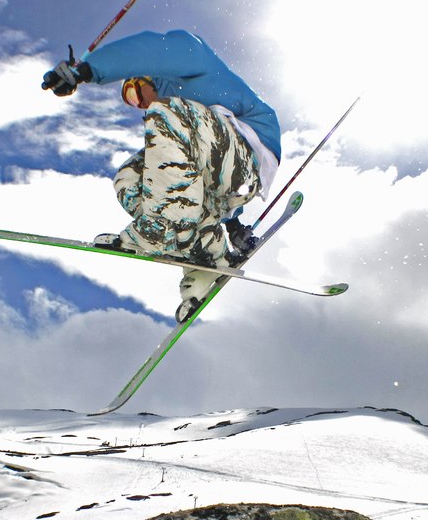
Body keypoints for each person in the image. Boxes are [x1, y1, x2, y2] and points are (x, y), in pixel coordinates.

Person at [42, 29, 281, 322]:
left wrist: (87, 70)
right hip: (220, 169)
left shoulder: (190, 57)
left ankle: (160, 229)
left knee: (167, 116)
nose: (138, 103)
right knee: (130, 175)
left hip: (250, 149)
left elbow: (150, 51)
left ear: (149, 75)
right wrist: (233, 226)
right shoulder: (183, 120)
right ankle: (205, 252)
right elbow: (192, 174)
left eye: (135, 92)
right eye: (131, 102)